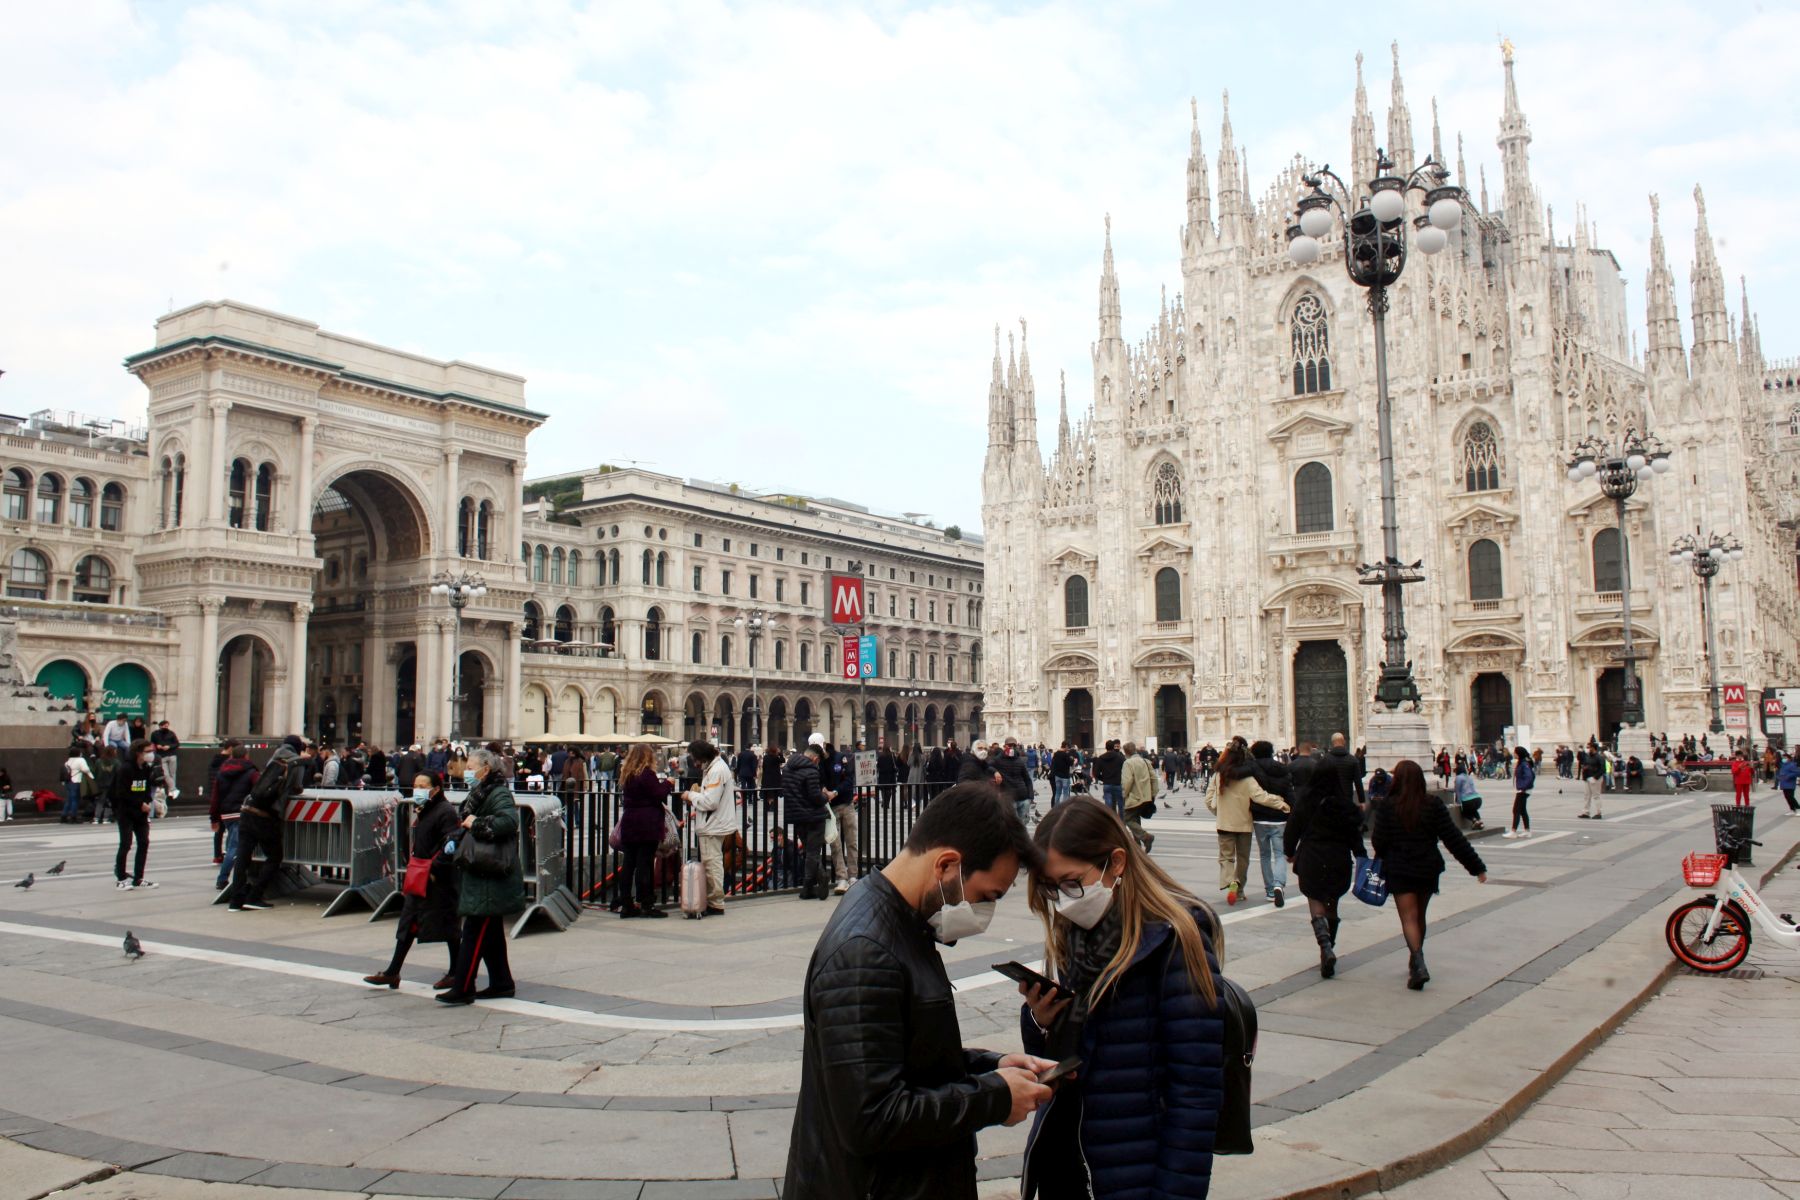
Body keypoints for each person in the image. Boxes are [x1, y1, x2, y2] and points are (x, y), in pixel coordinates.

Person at [782, 785, 1052, 1200]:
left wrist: (987, 1066)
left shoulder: (900, 921)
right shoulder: (865, 952)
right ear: (946, 865)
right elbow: (870, 1117)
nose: (984, 913)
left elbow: (899, 1057)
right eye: (985, 897)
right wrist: (994, 1098)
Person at [1016, 796, 1226, 1198]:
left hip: (1137, 1173)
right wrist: (1042, 1020)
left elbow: (1196, 1093)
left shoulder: (1173, 941)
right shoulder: (1073, 935)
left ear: (1117, 862)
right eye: (1051, 887)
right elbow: (1069, 1061)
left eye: (1071, 883)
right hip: (1074, 1165)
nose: (1062, 899)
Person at [1371, 760, 1488, 989]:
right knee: (1419, 915)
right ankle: (1417, 960)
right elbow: (1453, 838)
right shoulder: (1432, 804)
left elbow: (1379, 841)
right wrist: (1477, 867)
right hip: (1426, 867)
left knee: (1408, 918)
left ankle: (1418, 961)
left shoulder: (1388, 805)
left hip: (1400, 868)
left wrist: (1387, 852)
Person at [438, 748, 526, 1003]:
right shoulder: (480, 792)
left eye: (471, 767)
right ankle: (501, 983)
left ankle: (463, 987)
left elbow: (509, 822)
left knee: (475, 931)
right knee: (491, 934)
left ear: (485, 770)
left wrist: (475, 823)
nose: (467, 771)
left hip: (491, 873)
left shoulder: (497, 792)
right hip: (482, 870)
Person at [366, 772, 461, 990]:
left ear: (435, 789)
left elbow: (452, 842)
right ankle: (393, 971)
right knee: (409, 923)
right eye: (415, 784)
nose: (417, 788)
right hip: (421, 876)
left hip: (437, 879)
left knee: (448, 925)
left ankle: (456, 971)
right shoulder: (426, 809)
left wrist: (435, 868)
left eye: (422, 785)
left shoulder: (444, 811)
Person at [1285, 732, 1367, 978]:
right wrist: (1360, 854)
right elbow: (1355, 833)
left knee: (1315, 900)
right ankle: (1329, 946)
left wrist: (1289, 852)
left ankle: (1324, 946)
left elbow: (1293, 828)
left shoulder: (1306, 800)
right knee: (1332, 903)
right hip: (1338, 858)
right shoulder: (1344, 803)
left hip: (1312, 856)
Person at [227, 737, 308, 911]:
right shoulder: (296, 763)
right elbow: (296, 787)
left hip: (248, 809)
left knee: (243, 856)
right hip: (266, 815)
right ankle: (255, 896)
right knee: (274, 856)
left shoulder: (274, 756)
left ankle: (235, 900)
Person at [1205, 740, 1287, 906]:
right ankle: (1239, 889)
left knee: (1226, 858)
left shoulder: (1218, 775)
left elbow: (1208, 799)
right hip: (1244, 824)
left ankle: (1231, 882)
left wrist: (1218, 812)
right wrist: (1281, 803)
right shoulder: (1247, 778)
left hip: (1224, 824)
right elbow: (1260, 796)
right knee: (1243, 859)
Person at [616, 743, 673, 918]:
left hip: (630, 821)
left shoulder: (627, 773)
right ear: (647, 757)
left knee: (628, 864)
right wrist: (668, 784)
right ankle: (646, 904)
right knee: (645, 864)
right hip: (646, 823)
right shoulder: (647, 774)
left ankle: (626, 904)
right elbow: (657, 794)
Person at [687, 740, 738, 916]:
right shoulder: (715, 767)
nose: (695, 763)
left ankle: (716, 902)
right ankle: (714, 900)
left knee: (712, 863)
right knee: (713, 862)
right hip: (715, 823)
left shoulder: (716, 770)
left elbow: (710, 801)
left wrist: (690, 795)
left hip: (712, 824)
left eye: (695, 759)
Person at [782, 735, 831, 900]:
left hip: (797, 817)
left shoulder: (788, 768)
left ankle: (809, 888)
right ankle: (817, 880)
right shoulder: (811, 771)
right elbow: (815, 797)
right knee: (813, 852)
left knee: (808, 852)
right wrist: (826, 796)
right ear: (815, 758)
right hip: (814, 816)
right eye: (818, 761)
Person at [1246, 739, 1295, 906]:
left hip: (1260, 818)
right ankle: (1278, 885)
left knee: (1265, 855)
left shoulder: (1251, 769)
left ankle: (1269, 891)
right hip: (1280, 818)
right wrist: (1292, 811)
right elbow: (1289, 793)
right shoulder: (1282, 769)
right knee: (1280, 854)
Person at [110, 739, 161, 888]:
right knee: (125, 844)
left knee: (144, 843)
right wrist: (140, 804)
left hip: (141, 813)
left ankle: (138, 877)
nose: (151, 754)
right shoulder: (125, 769)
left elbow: (146, 788)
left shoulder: (145, 768)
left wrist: (147, 801)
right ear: (138, 753)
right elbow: (121, 792)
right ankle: (121, 879)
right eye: (148, 751)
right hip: (126, 811)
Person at [212, 743, 258, 890]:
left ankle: (231, 876)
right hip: (241, 812)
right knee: (235, 847)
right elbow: (258, 791)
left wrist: (214, 817)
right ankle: (222, 878)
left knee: (231, 843)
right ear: (246, 755)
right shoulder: (251, 772)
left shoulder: (222, 772)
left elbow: (215, 796)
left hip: (226, 813)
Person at [1119, 739, 1157, 852]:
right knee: (1135, 819)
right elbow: (1154, 778)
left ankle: (1146, 837)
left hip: (1134, 797)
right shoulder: (1145, 761)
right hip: (1146, 797)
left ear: (1126, 752)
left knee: (1127, 819)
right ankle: (1137, 847)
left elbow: (1127, 781)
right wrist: (1153, 794)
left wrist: (1124, 794)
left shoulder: (1128, 763)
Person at [994, 736, 1033, 826]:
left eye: (1014, 746)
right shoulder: (999, 760)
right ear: (1005, 746)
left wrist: (1030, 797)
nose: (1012, 747)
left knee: (1023, 823)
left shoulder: (1019, 760)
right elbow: (988, 766)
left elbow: (1027, 779)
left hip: (1023, 797)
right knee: (1013, 824)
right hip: (1010, 798)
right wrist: (995, 772)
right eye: (1009, 745)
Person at [1507, 746, 1538, 837]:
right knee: (1522, 810)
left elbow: (1529, 776)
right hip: (1523, 789)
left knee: (1516, 810)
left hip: (1523, 790)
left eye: (1515, 752)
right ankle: (1527, 831)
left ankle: (1513, 831)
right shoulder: (1523, 762)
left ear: (1518, 753)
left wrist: (1523, 787)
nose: (1514, 754)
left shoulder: (1524, 763)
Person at [61, 744, 93, 824]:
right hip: (76, 781)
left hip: (68, 782)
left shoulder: (67, 761)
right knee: (75, 799)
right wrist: (92, 777)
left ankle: (64, 816)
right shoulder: (81, 760)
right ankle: (73, 816)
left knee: (69, 799)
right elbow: (86, 769)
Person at [1093, 740, 1126, 816]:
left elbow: (1096, 773)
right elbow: (1125, 769)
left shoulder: (1101, 758)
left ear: (1105, 747)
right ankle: (1121, 822)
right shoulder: (1120, 757)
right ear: (1113, 747)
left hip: (1107, 783)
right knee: (1121, 805)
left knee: (1108, 804)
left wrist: (1103, 778)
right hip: (1118, 783)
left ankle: (1110, 819)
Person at [149, 719, 180, 798]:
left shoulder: (171, 733)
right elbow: (152, 743)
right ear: (160, 726)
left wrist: (169, 746)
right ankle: (173, 789)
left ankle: (171, 791)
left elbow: (177, 743)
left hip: (171, 755)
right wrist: (157, 746)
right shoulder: (155, 734)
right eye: (164, 726)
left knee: (172, 774)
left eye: (167, 726)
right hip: (162, 756)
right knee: (165, 774)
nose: (166, 727)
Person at [1451, 763, 1483, 828]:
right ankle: (1480, 821)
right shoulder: (1469, 777)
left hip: (1468, 800)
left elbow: (1457, 791)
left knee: (1464, 812)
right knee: (1473, 810)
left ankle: (1474, 821)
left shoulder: (1458, 777)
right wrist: (1448, 790)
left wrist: (1458, 803)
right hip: (1478, 799)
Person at [1577, 745, 1603, 819]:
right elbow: (1583, 762)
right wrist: (1585, 768)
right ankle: (1586, 812)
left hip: (1595, 778)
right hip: (1587, 778)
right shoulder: (1587, 756)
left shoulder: (1599, 757)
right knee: (1586, 796)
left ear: (1594, 748)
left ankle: (1599, 812)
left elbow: (1602, 769)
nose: (1588, 749)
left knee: (1596, 796)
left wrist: (1595, 777)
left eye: (1590, 747)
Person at [1049, 742, 1073, 807]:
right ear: (1066, 746)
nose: (1068, 748)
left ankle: (1056, 807)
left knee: (1057, 793)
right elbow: (1070, 763)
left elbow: (1053, 763)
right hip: (1065, 776)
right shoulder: (1065, 754)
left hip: (1057, 776)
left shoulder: (1056, 754)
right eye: (1068, 747)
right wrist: (1072, 759)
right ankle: (1064, 807)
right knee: (1065, 793)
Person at [1779, 750, 1800, 815]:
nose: (1784, 759)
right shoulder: (1783, 765)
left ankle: (1798, 808)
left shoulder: (1792, 765)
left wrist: (1788, 776)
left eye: (1785, 758)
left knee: (1790, 797)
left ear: (1789, 758)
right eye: (1783, 758)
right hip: (1784, 783)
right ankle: (1792, 809)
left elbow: (1797, 772)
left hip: (1790, 784)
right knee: (1787, 797)